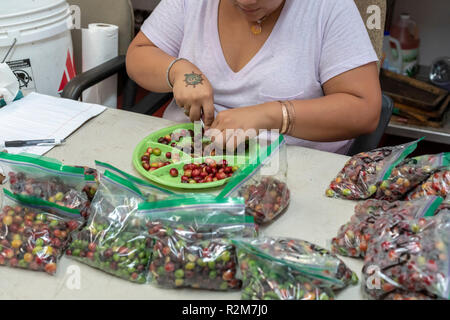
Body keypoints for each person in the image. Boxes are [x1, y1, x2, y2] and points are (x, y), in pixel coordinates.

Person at [126, 0, 382, 154]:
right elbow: (138, 55)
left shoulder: (328, 8)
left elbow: (364, 109)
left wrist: (270, 116)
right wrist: (179, 71)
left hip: (286, 173)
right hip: (188, 158)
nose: (246, 2)